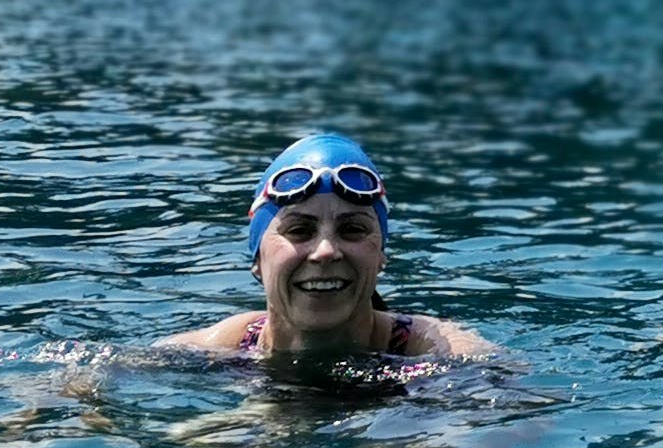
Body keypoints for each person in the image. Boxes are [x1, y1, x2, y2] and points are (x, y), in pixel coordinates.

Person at [161, 128, 499, 365]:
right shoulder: (226, 347)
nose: (325, 251)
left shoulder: (436, 350)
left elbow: (505, 412)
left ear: (381, 255)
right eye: (299, 230)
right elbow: (111, 375)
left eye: (352, 230)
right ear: (257, 260)